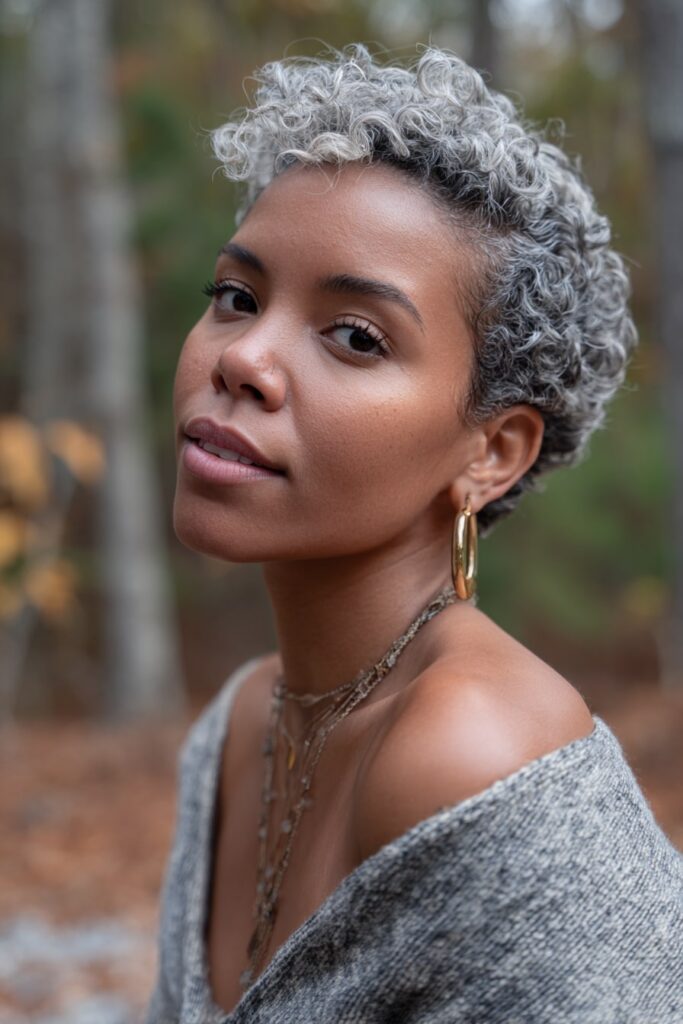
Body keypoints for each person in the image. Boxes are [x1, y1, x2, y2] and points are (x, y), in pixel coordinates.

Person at [145, 43, 682, 1023]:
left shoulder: (474, 754)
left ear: (491, 453)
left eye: (355, 335)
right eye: (237, 297)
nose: (244, 359)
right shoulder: (237, 727)